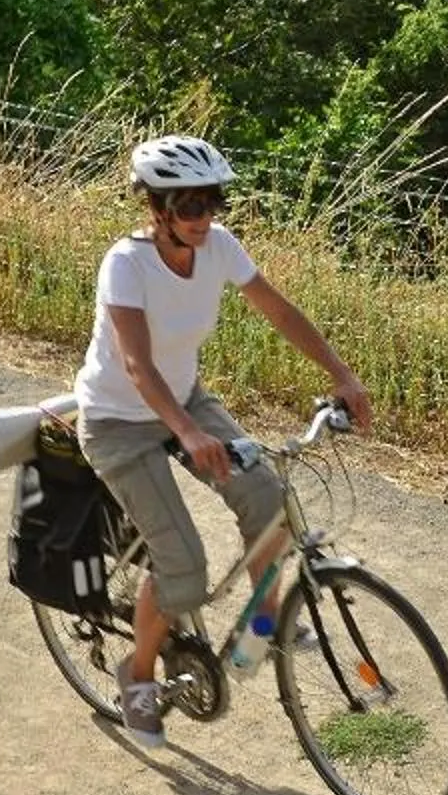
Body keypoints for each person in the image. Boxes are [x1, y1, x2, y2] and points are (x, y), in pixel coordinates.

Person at [73, 134, 372, 750]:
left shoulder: (218, 248)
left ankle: (263, 626)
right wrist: (185, 433)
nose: (204, 217)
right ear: (155, 208)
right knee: (182, 563)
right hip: (118, 422)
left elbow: (281, 312)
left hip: (185, 401)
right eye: (189, 205)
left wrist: (341, 374)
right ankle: (137, 676)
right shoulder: (125, 265)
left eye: (213, 202)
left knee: (270, 503)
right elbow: (136, 365)